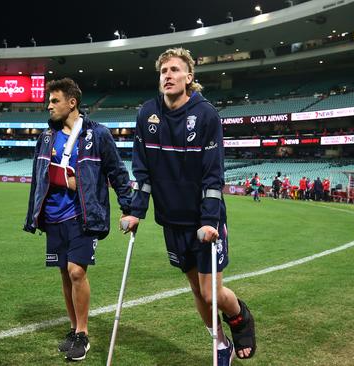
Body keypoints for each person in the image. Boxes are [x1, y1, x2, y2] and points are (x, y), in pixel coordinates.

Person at [121, 47, 256, 365]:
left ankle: (239, 317)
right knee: (197, 291)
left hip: (204, 221)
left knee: (212, 294)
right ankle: (220, 343)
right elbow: (142, 170)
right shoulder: (147, 114)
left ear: (189, 77)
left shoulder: (206, 114)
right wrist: (135, 211)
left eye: (174, 70)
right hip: (172, 220)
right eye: (163, 71)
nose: (167, 75)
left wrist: (209, 219)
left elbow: (213, 173)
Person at [24, 78, 132, 362]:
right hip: (53, 215)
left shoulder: (98, 135)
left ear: (72, 102)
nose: (49, 105)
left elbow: (118, 172)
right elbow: (38, 178)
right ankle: (73, 329)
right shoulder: (46, 136)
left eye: (54, 100)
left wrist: (127, 207)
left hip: (83, 214)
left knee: (76, 272)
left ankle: (83, 334)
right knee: (64, 272)